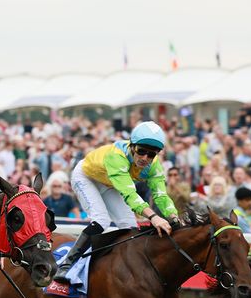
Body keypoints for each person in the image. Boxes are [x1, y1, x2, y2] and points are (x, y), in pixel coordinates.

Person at [55, 121, 179, 282]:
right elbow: (130, 194)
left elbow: (161, 196)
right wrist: (153, 217)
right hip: (86, 177)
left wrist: (174, 217)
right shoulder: (117, 156)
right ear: (132, 146)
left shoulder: (154, 167)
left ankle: (124, 268)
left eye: (151, 154)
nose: (145, 158)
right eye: (141, 151)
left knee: (130, 227)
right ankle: (66, 264)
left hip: (109, 183)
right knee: (101, 220)